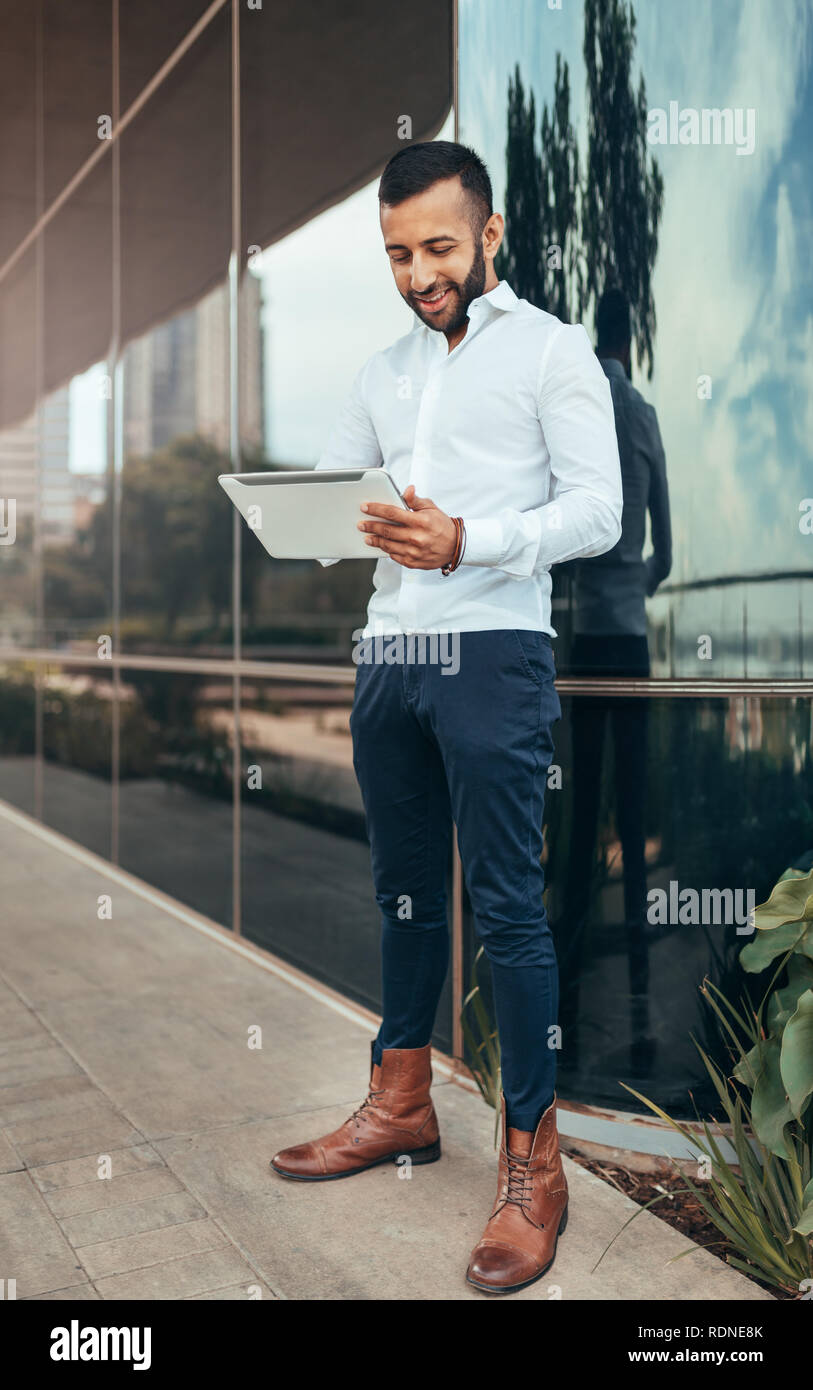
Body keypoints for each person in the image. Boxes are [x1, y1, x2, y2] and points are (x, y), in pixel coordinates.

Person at [270, 140, 623, 1295]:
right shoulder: (380, 374)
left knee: (509, 905)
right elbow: (334, 495)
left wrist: (473, 538)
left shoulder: (550, 350)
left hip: (493, 651)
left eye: (435, 246)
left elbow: (599, 513)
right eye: (395, 254)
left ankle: (536, 1163)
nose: (418, 272)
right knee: (403, 890)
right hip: (393, 655)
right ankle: (403, 1102)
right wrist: (303, 515)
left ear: (491, 234)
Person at [559, 286, 672, 1078]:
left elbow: (559, 530)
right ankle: (638, 993)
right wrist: (634, 585)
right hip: (628, 640)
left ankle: (563, 991)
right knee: (630, 818)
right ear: (632, 341)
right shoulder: (643, 416)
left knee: (576, 812)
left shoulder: (577, 407)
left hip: (581, 642)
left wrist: (582, 587)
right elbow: (666, 548)